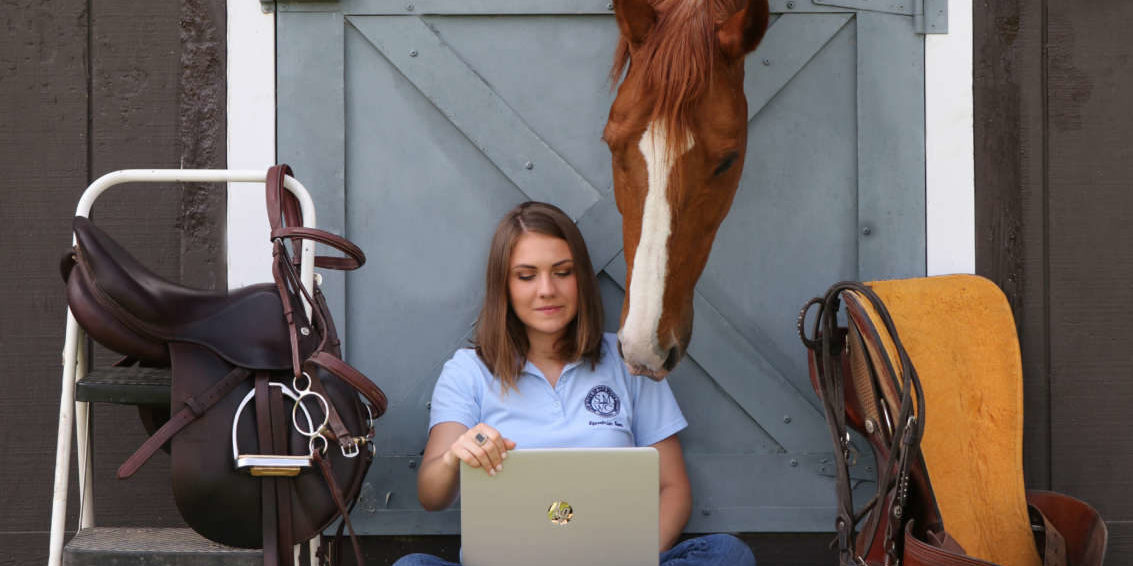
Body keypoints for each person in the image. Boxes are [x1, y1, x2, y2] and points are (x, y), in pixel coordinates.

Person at [393, 202, 755, 566]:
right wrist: (456, 455)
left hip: (614, 561)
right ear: (503, 285)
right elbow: (431, 495)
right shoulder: (468, 370)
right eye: (526, 275)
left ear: (580, 277)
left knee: (727, 554)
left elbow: (673, 489)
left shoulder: (627, 358)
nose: (547, 290)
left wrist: (634, 561)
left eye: (562, 272)